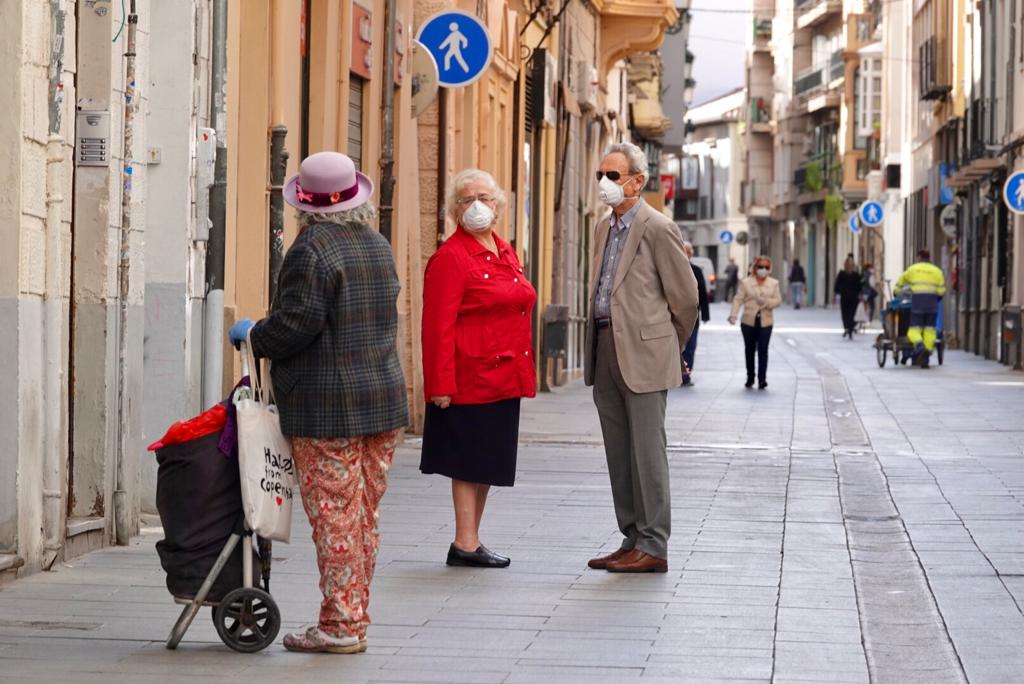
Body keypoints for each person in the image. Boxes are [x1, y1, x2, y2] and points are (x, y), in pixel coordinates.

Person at [227, 151, 409, 654]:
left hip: (329, 408)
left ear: (304, 206)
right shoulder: (377, 244)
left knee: (334, 516)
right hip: (381, 402)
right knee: (362, 516)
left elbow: (295, 326)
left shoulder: (311, 250)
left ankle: (342, 626)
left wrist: (254, 335)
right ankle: (349, 616)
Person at [584, 143, 699, 574]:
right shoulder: (602, 228)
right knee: (619, 451)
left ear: (638, 180)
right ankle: (631, 537)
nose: (605, 184)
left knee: (648, 452)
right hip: (604, 346)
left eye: (613, 176)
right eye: (602, 174)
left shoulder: (657, 227)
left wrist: (669, 343)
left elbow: (686, 298)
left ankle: (654, 544)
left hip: (646, 352)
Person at [420, 169, 537, 569]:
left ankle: (471, 538)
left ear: (498, 206)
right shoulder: (450, 258)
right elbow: (436, 326)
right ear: (455, 210)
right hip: (469, 375)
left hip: (503, 375)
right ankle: (464, 542)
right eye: (467, 199)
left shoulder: (504, 250)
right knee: (468, 461)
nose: (477, 206)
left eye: (485, 198)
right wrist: (440, 384)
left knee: (487, 459)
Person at [729, 256, 782, 389]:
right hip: (748, 322)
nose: (763, 270)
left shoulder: (773, 283)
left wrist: (767, 302)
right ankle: (750, 377)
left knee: (763, 350)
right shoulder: (746, 283)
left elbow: (778, 300)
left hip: (766, 322)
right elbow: (738, 299)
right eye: (760, 267)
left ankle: (762, 379)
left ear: (770, 269)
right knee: (750, 350)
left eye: (766, 267)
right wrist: (733, 315)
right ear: (755, 268)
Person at [895, 249, 946, 368]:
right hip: (932, 305)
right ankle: (925, 358)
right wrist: (935, 299)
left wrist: (896, 291)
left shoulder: (913, 269)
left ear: (919, 257)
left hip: (918, 304)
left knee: (914, 329)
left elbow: (901, 282)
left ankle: (919, 346)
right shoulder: (937, 271)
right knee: (930, 330)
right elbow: (942, 291)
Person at [681, 241, 710, 387]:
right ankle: (674, 375)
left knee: (690, 347)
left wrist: (705, 315)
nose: (686, 254)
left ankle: (686, 376)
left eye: (688, 252)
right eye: (683, 251)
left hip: (693, 318)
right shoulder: (671, 269)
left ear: (691, 254)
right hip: (672, 317)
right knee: (674, 348)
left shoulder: (697, 271)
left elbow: (703, 294)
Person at [834, 257, 864, 339]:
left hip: (845, 297)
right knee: (852, 313)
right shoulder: (856, 275)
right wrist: (860, 293)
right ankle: (850, 327)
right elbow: (861, 285)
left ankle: (847, 327)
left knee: (845, 313)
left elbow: (837, 285)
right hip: (854, 297)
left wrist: (838, 292)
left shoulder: (841, 274)